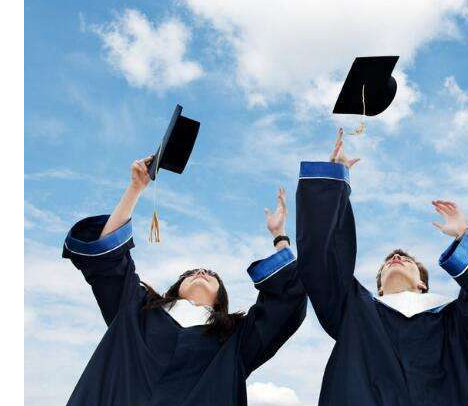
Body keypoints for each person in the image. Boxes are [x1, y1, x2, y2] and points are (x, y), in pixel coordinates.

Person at [295, 129, 468, 405]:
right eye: (388, 262)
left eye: (407, 260)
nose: (396, 258)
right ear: (379, 287)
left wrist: (464, 235)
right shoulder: (353, 311)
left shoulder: (455, 323)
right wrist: (334, 184)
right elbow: (322, 259)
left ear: (422, 284)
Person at [61, 156, 306, 406]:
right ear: (176, 288)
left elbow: (286, 302)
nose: (200, 273)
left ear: (221, 298)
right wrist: (135, 188)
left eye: (210, 274)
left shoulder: (235, 340)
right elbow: (107, 260)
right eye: (191, 273)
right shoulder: (136, 310)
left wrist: (279, 237)